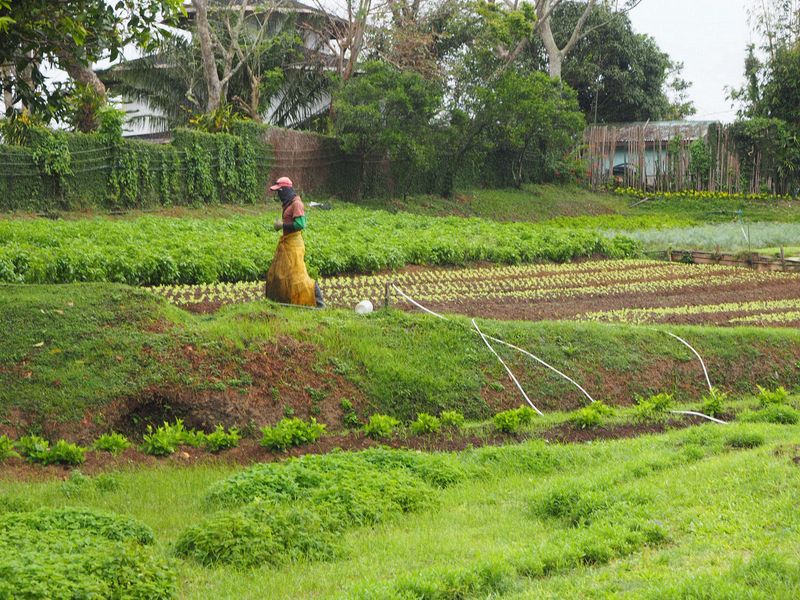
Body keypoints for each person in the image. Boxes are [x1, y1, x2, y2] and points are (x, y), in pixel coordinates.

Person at [265, 176, 324, 308]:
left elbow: (300, 224)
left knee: (298, 276)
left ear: (285, 190)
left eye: (279, 191)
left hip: (294, 244)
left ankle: (319, 303)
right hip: (287, 242)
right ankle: (282, 302)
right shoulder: (288, 204)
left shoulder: (296, 204)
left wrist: (282, 225)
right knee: (278, 274)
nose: (278, 195)